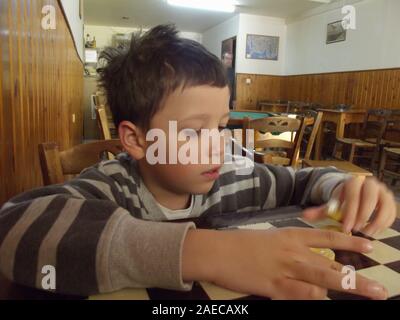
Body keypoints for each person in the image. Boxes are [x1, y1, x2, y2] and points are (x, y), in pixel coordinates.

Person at [0, 24, 396, 299]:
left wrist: (340, 186)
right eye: (192, 132)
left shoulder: (233, 177)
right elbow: (13, 227)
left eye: (222, 126)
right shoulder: (112, 187)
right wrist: (209, 253)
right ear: (136, 141)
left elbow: (299, 182)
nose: (216, 146)